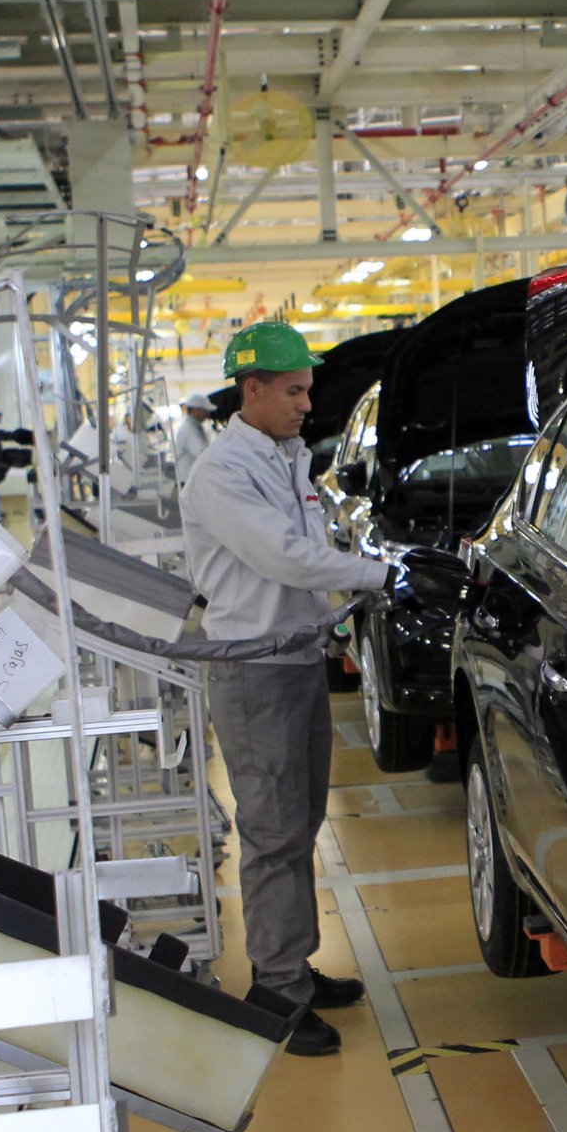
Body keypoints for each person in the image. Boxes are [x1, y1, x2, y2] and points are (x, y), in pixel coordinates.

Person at [180, 321, 388, 1056]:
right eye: (294, 391)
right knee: (271, 833)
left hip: (295, 662)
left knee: (298, 824)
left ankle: (292, 961)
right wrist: (379, 575)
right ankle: (274, 990)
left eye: (308, 390)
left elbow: (315, 548)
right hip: (253, 674)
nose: (307, 404)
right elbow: (287, 558)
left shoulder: (286, 458)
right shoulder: (223, 473)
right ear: (253, 389)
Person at [174, 393, 216, 487]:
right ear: (195, 410)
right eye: (205, 411)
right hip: (188, 481)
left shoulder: (193, 426)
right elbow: (203, 453)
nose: (207, 414)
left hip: (190, 479)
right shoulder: (190, 429)